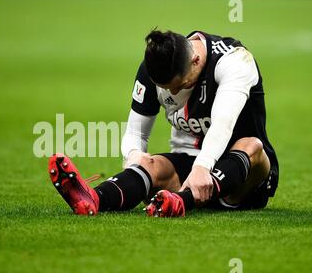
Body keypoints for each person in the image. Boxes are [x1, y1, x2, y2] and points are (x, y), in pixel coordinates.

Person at [48, 29, 279, 217]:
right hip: (187, 168)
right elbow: (136, 133)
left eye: (179, 86)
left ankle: (180, 202)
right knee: (149, 164)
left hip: (243, 178)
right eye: (167, 89)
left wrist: (203, 167)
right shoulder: (152, 70)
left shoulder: (235, 62)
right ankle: (94, 198)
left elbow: (223, 124)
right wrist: (134, 157)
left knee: (252, 146)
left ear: (196, 60)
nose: (174, 92)